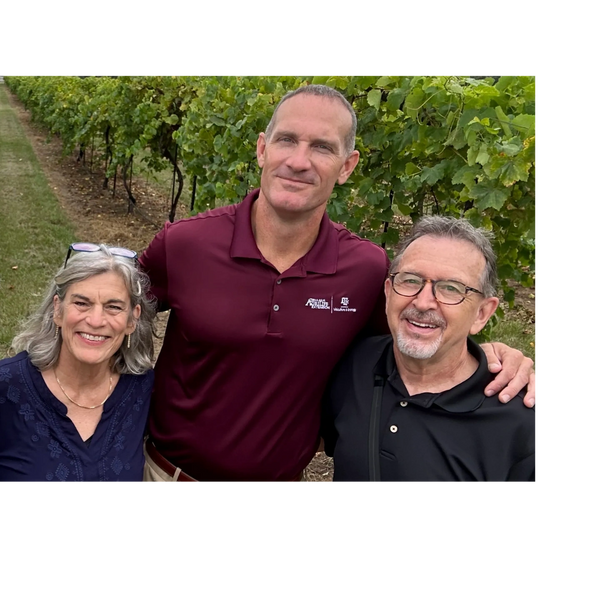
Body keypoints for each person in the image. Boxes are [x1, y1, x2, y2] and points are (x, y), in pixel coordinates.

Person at [140, 84, 540, 487]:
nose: (298, 161)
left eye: (322, 148)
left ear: (347, 166)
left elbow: (410, 347)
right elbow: (104, 314)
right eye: (287, 140)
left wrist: (485, 357)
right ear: (262, 149)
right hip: (167, 477)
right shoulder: (185, 244)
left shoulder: (367, 270)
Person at [323, 217, 539, 486]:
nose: (424, 302)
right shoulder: (352, 365)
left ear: (482, 314)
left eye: (451, 288)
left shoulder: (522, 426)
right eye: (411, 280)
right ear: (388, 292)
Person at [0, 244, 156, 487]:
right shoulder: (7, 387)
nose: (95, 320)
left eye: (113, 307)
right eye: (81, 303)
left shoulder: (141, 389)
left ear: (132, 319)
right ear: (57, 309)